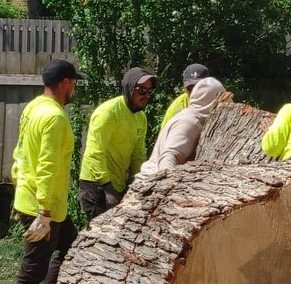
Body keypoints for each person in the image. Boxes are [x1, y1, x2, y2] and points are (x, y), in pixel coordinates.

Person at [5, 58, 85, 284]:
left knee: (72, 248)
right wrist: (44, 214)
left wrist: (20, 188)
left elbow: (20, 153)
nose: (74, 88)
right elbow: (48, 167)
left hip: (40, 202)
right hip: (44, 208)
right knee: (31, 272)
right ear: (65, 83)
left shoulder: (33, 108)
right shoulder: (54, 118)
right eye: (73, 82)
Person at [78, 66, 156, 221]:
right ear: (129, 88)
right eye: (141, 90)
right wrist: (108, 188)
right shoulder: (108, 113)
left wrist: (142, 182)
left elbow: (138, 155)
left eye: (149, 91)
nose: (146, 95)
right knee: (100, 232)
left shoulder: (141, 118)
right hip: (95, 184)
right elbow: (95, 153)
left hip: (116, 184)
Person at [139, 77, 226, 175]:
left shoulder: (197, 120)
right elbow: (168, 160)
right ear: (211, 102)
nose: (226, 106)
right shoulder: (189, 123)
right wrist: (170, 182)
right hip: (153, 180)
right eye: (223, 101)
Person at [160, 63, 210, 128]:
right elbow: (164, 133)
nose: (194, 91)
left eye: (199, 87)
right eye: (190, 88)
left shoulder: (217, 102)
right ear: (184, 87)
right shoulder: (176, 108)